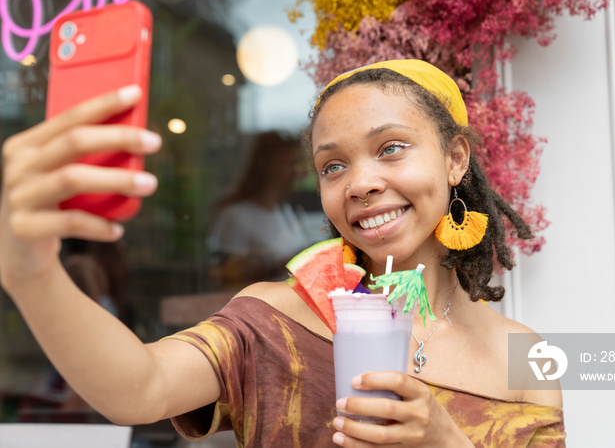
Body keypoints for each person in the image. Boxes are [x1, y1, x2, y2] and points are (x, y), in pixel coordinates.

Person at [0, 59, 564, 447]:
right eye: (333, 166)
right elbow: (138, 386)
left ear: (455, 159)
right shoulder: (274, 320)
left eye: (391, 148)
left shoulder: (524, 357)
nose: (360, 183)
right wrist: (31, 274)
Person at [207, 131, 314, 288]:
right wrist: (276, 267)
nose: (297, 172)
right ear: (267, 165)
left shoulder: (285, 210)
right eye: (289, 163)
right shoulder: (235, 216)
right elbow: (228, 279)